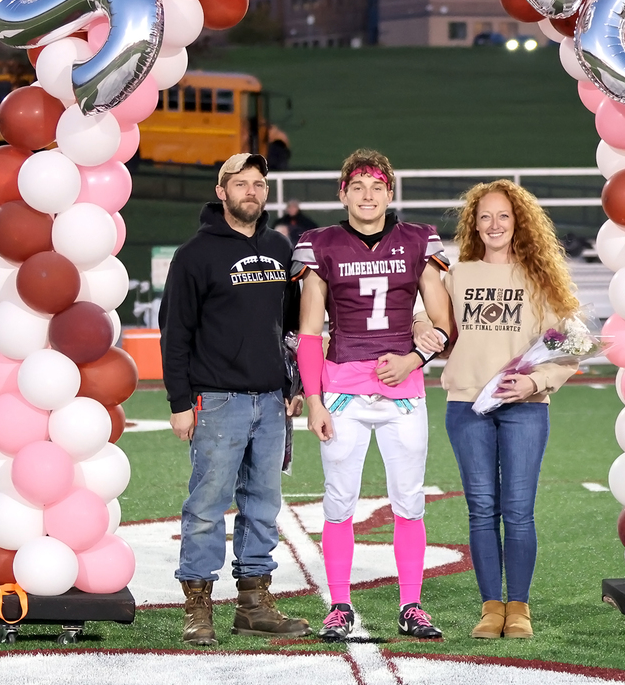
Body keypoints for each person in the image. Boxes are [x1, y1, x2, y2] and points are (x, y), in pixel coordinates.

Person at [294, 149, 452, 641]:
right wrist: (314, 399)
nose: (367, 194)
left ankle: (411, 604)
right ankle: (339, 604)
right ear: (342, 193)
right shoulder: (320, 245)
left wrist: (413, 359)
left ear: (390, 192)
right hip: (341, 392)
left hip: (403, 391)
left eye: (376, 185)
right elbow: (309, 333)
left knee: (409, 501)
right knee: (339, 503)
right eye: (357, 186)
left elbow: (444, 323)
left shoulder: (418, 242)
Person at [415, 180, 579, 640]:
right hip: (467, 405)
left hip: (525, 408)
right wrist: (420, 327)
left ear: (517, 222)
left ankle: (519, 608)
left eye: (503, 216)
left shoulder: (537, 276)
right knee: (482, 509)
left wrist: (534, 380)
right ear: (474, 224)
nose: (494, 225)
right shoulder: (458, 273)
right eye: (484, 216)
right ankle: (491, 608)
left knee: (519, 510)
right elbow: (428, 317)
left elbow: (568, 345)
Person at [160, 153, 310, 646]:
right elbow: (174, 333)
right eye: (241, 183)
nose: (252, 191)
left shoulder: (277, 246)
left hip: (271, 401)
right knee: (206, 506)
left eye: (259, 184)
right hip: (217, 401)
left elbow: (290, 326)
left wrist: (296, 384)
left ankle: (253, 603)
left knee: (263, 505)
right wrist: (180, 402)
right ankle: (198, 608)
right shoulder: (194, 255)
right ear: (221, 192)